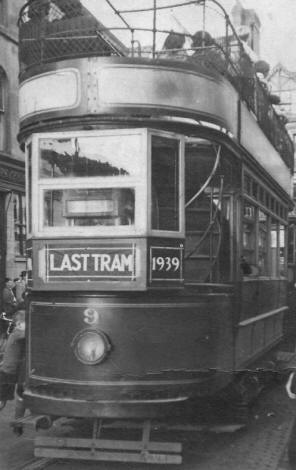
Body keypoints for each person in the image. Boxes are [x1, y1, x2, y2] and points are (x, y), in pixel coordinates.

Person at [0, 306, 26, 435]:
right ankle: (18, 424)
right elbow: (28, 335)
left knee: (20, 395)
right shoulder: (17, 334)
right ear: (20, 324)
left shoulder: (17, 334)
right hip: (8, 371)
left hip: (13, 371)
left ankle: (18, 424)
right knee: (2, 400)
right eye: (28, 323)